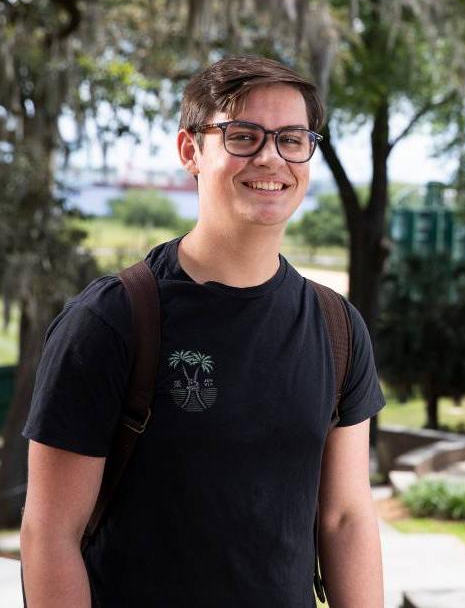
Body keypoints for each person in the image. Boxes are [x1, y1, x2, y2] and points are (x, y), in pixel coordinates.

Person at [20, 56, 386, 607]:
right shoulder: (112, 320)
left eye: (292, 138)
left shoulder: (337, 328)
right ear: (191, 150)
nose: (271, 157)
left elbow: (345, 519)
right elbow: (49, 534)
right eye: (243, 136)